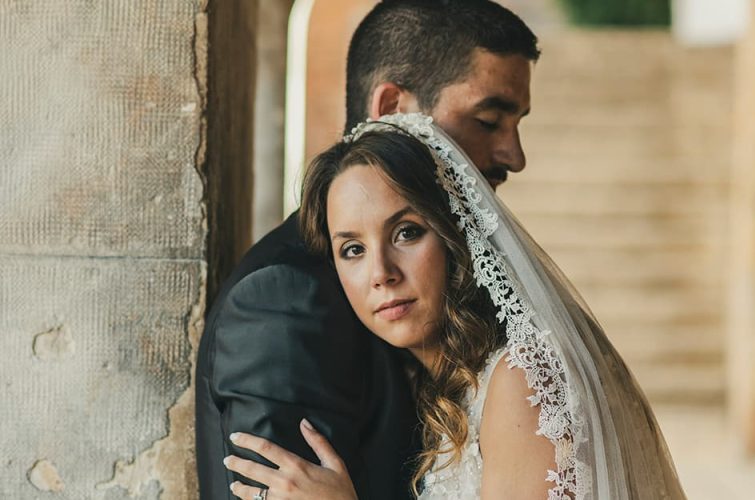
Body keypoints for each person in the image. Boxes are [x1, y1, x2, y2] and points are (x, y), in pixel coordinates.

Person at [224, 114, 687, 499]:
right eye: (353, 249)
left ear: (456, 238)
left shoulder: (521, 378)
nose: (381, 272)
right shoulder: (446, 391)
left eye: (406, 232)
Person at [194, 1, 540, 499]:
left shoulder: (485, 335)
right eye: (488, 120)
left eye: (407, 234)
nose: (514, 156)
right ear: (393, 110)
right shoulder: (286, 302)